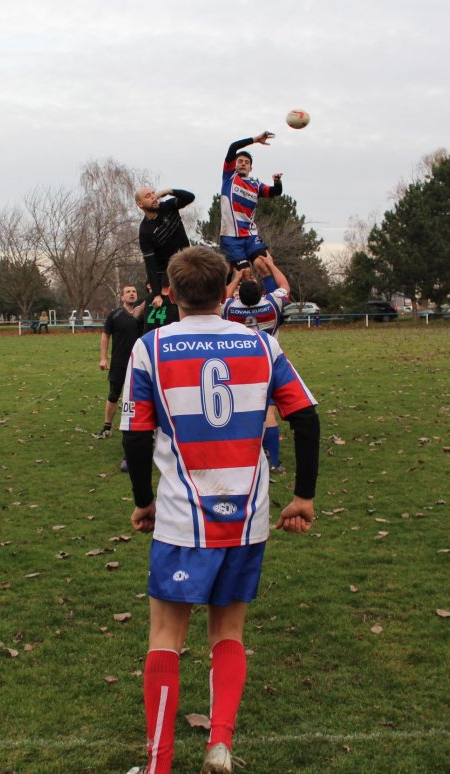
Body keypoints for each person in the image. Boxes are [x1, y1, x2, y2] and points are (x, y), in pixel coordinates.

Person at [120, 246, 319, 774]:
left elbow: (135, 437)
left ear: (171, 290)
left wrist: (143, 503)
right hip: (247, 515)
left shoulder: (149, 348)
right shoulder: (261, 345)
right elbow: (306, 418)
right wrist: (303, 494)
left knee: (165, 637)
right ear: (228, 287)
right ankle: (220, 745)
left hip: (184, 516)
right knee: (228, 634)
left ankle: (159, 765)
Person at [222, 253, 291, 474]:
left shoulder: (231, 309)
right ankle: (274, 462)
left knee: (241, 411)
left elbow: (222, 296)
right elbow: (284, 285)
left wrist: (236, 276)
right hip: (266, 364)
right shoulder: (271, 304)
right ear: (262, 293)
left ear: (238, 296)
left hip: (238, 366)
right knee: (268, 413)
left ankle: (241, 455)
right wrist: (271, 263)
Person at [220, 132, 283, 277]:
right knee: (245, 274)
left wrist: (277, 182)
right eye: (240, 161)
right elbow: (233, 147)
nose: (243, 164)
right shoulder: (229, 177)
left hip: (250, 235)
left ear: (251, 168)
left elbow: (275, 192)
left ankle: (274, 298)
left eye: (246, 162)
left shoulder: (256, 185)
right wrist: (256, 140)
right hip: (230, 237)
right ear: (234, 165)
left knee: (264, 264)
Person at [93, 285, 141, 442]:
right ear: (122, 297)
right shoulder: (115, 315)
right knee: (114, 395)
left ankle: (143, 429)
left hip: (140, 363)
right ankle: (107, 427)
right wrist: (103, 358)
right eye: (128, 292)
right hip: (119, 363)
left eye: (134, 292)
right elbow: (105, 335)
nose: (131, 294)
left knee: (141, 397)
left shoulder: (144, 315)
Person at [136, 187, 195, 307]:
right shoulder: (145, 231)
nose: (153, 197)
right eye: (148, 196)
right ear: (140, 204)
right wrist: (157, 295)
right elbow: (150, 265)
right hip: (167, 276)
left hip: (188, 263)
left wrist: (168, 191)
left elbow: (190, 197)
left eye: (153, 193)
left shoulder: (167, 207)